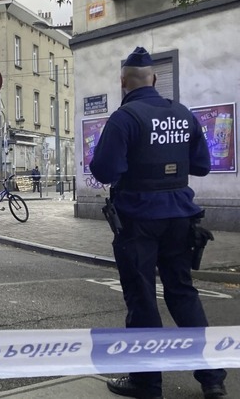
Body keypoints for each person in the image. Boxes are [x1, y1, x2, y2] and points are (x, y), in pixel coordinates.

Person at [89, 47, 227, 399]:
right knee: (182, 293)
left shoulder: (124, 118)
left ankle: (147, 384)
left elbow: (105, 171)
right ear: (154, 78)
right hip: (182, 218)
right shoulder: (182, 114)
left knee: (143, 299)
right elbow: (201, 166)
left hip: (138, 221)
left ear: (123, 82)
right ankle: (213, 379)